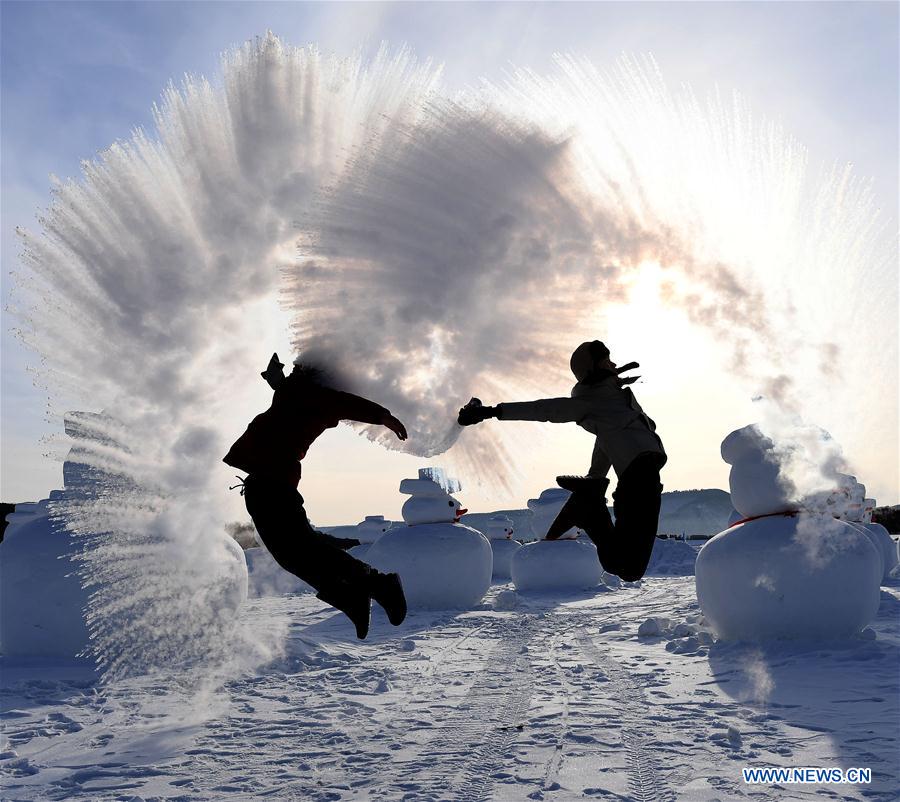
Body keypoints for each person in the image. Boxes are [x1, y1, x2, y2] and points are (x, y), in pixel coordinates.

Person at [224, 353, 408, 639]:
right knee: (296, 553)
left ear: (314, 374)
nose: (297, 365)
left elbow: (343, 403)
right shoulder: (297, 395)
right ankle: (353, 598)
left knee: (301, 550)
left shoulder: (311, 395)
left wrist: (381, 415)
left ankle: (378, 585)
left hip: (272, 486)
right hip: (267, 485)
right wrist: (276, 378)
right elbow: (292, 393)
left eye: (302, 366)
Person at [457, 340, 666, 581]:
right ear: (594, 369)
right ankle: (590, 509)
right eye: (607, 360)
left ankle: (590, 504)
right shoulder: (592, 401)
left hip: (644, 481)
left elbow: (609, 439)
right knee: (628, 568)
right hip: (639, 482)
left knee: (626, 566)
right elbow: (545, 410)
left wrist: (595, 478)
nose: (614, 364)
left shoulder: (614, 399)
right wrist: (493, 411)